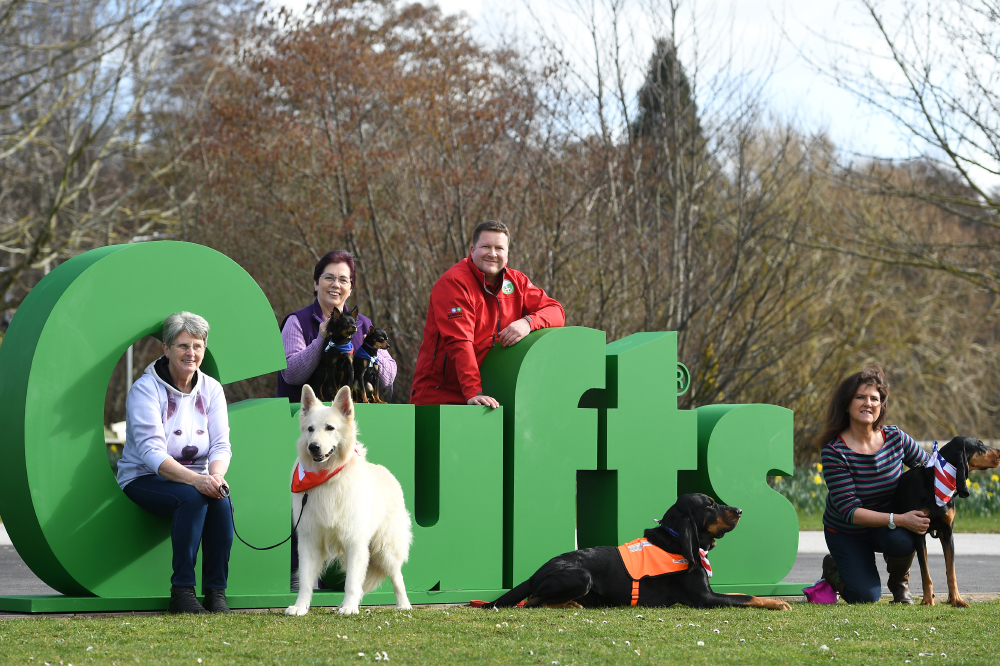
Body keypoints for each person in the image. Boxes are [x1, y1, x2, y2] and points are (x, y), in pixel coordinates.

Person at [116, 312, 234, 614]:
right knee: (193, 497)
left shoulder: (212, 389)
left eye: (197, 345)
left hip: (197, 478)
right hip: (144, 477)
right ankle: (182, 592)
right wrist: (197, 481)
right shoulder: (145, 389)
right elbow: (151, 453)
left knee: (221, 501)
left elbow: (221, 444)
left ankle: (216, 592)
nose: (190, 353)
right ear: (166, 349)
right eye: (183, 346)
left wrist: (216, 476)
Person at [410, 220, 565, 407]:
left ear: (507, 254)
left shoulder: (518, 282)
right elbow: (460, 344)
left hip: (490, 392)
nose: (492, 254)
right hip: (442, 394)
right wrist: (474, 392)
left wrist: (528, 323)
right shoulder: (453, 284)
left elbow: (556, 311)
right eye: (486, 247)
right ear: (472, 249)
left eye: (499, 248)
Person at [818, 365, 931, 604]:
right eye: (860, 397)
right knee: (865, 597)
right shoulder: (834, 452)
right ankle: (833, 568)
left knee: (902, 540)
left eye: (874, 398)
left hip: (886, 530)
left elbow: (929, 470)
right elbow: (851, 512)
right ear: (847, 403)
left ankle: (899, 583)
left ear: (882, 406)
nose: (868, 403)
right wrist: (901, 519)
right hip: (847, 532)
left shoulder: (896, 438)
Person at [278, 250, 396, 402]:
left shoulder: (364, 325)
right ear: (315, 283)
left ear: (351, 288)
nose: (336, 285)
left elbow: (388, 378)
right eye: (329, 278)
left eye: (343, 280)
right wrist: (320, 339)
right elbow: (291, 375)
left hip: (354, 421)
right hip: (308, 422)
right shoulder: (297, 321)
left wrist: (371, 349)